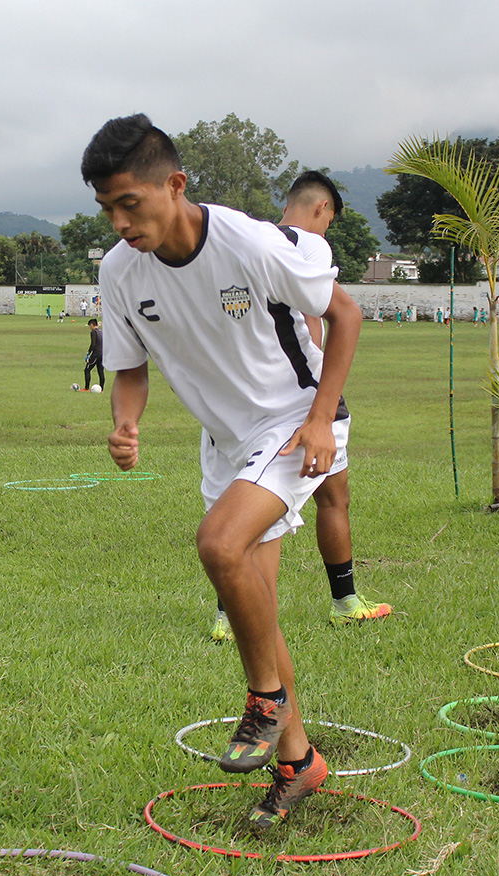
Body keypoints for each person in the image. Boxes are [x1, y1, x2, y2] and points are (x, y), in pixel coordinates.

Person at [84, 114, 360, 831]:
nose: (119, 223)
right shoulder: (120, 271)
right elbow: (130, 367)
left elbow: (348, 314)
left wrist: (323, 417)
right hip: (226, 442)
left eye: (130, 204)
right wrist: (126, 420)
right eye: (107, 209)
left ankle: (264, 702)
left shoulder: (247, 242)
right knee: (255, 608)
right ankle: (299, 763)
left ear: (173, 184)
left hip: (294, 421)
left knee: (218, 545)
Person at [208, 170, 388, 641]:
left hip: (231, 402)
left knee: (245, 501)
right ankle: (343, 601)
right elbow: (317, 318)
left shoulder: (243, 243)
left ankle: (228, 616)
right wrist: (320, 409)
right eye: (328, 221)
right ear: (322, 209)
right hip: (297, 398)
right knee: (310, 499)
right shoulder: (308, 245)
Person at [84, 318, 104, 390]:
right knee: (100, 371)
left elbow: (93, 344)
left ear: (92, 325)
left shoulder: (93, 332)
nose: (90, 328)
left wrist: (88, 353)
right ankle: (101, 389)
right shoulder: (101, 332)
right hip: (102, 354)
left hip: (96, 354)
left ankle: (86, 388)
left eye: (90, 326)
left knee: (87, 370)